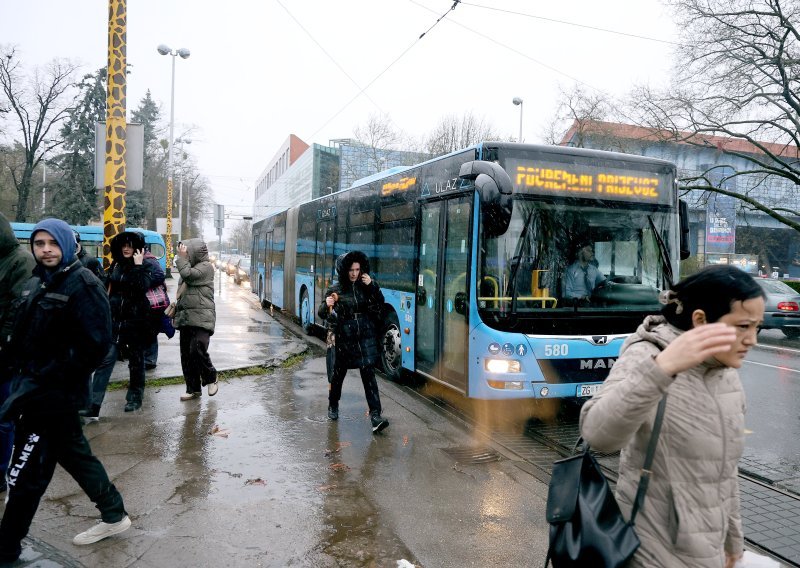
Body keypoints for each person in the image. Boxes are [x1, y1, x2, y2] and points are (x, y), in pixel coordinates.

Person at [579, 264, 765, 568]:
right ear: (701, 320)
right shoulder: (647, 355)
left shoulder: (725, 371)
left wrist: (734, 542)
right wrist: (661, 370)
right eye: (742, 326)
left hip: (710, 551)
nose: (753, 339)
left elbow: (724, 472)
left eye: (756, 327)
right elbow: (598, 435)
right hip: (651, 551)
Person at [0, 218, 130, 563]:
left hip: (53, 398)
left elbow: (96, 346)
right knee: (75, 456)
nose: (45, 250)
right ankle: (115, 515)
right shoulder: (36, 282)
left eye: (52, 244)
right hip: (32, 391)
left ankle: (7, 547)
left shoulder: (82, 284)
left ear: (67, 245)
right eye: (39, 244)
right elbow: (21, 337)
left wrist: (49, 377)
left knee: (25, 474)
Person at [84, 231, 164, 416]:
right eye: (124, 245)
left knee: (136, 363)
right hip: (115, 322)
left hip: (136, 323)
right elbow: (109, 286)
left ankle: (135, 399)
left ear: (137, 247)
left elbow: (141, 287)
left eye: (130, 245)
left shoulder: (145, 265)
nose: (126, 248)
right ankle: (93, 405)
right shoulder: (117, 264)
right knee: (106, 361)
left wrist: (137, 266)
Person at [318, 251, 389, 433]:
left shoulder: (367, 286)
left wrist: (373, 286)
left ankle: (375, 416)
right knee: (338, 375)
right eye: (351, 270)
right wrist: (326, 304)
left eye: (357, 269)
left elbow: (380, 304)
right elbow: (321, 313)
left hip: (364, 337)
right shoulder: (335, 290)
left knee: (369, 376)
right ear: (343, 270)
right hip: (345, 337)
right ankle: (333, 405)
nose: (354, 274)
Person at [0, 214, 35, 494]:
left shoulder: (20, 260)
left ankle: (2, 473)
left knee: (4, 417)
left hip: (6, 353)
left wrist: (6, 343)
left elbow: (18, 308)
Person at [173, 239, 218, 400]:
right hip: (186, 316)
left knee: (197, 348)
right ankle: (193, 389)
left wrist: (182, 258)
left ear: (193, 252)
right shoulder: (188, 265)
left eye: (186, 251)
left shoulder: (206, 267)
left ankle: (211, 377)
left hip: (202, 316)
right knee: (186, 355)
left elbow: (188, 276)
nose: (183, 253)